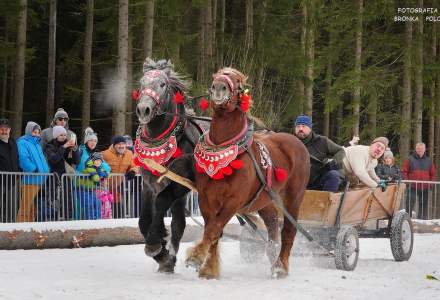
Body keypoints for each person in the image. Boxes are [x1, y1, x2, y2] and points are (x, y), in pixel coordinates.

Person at [293, 115, 345, 192]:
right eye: (298, 126)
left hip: (319, 182)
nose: (300, 129)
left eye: (303, 126)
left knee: (333, 175)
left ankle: (326, 202)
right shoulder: (290, 143)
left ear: (310, 128)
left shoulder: (322, 141)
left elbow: (340, 151)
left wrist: (333, 161)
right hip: (297, 183)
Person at [16, 121, 50, 222]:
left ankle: (29, 228)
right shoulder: (22, 142)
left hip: (40, 180)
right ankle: (19, 227)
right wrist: (33, 169)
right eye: (34, 132)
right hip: (30, 180)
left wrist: (47, 171)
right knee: (25, 207)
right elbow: (23, 158)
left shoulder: (37, 144)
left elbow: (42, 159)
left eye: (38, 132)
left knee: (32, 208)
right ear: (28, 131)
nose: (36, 134)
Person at [45, 125, 81, 220]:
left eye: (65, 135)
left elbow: (76, 161)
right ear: (56, 135)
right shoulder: (50, 145)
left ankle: (68, 220)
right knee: (54, 199)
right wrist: (64, 147)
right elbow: (54, 159)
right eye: (61, 135)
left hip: (66, 177)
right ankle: (52, 219)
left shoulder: (69, 145)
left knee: (68, 200)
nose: (64, 137)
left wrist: (75, 150)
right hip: (55, 177)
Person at [103, 135, 138, 218]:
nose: (121, 146)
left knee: (118, 212)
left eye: (123, 144)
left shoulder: (129, 154)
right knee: (105, 212)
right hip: (104, 188)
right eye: (118, 144)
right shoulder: (105, 154)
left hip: (116, 188)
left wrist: (133, 171)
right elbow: (98, 166)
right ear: (114, 145)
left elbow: (134, 165)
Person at [402, 142, 437, 219]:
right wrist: (407, 183)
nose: (420, 150)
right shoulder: (409, 159)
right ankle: (407, 219)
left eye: (421, 149)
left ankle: (422, 219)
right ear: (415, 149)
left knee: (424, 204)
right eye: (418, 148)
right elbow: (404, 172)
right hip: (412, 186)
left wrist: (430, 184)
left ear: (424, 150)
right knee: (409, 203)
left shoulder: (429, 161)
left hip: (425, 187)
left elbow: (433, 174)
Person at [75, 152, 109, 220]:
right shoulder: (90, 167)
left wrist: (103, 174)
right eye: (96, 160)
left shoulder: (98, 168)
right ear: (92, 161)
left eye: (99, 161)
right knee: (89, 204)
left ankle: (97, 219)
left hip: (90, 190)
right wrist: (101, 175)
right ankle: (90, 220)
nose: (98, 162)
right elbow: (96, 178)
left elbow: (107, 174)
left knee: (97, 203)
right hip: (82, 189)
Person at [0, 118, 20, 222]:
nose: (4, 131)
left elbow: (17, 159)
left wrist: (19, 174)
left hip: (13, 181)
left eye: (6, 129)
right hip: (1, 180)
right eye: (2, 129)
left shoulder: (13, 142)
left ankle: (11, 226)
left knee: (12, 206)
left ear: (10, 130)